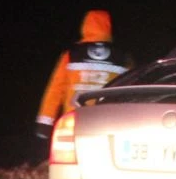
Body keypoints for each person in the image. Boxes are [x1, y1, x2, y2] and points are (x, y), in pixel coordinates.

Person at [34, 10, 133, 142]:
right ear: (109, 27)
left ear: (85, 26)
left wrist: (44, 123)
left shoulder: (71, 55)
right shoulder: (123, 58)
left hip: (74, 122)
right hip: (110, 124)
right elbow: (131, 91)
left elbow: (55, 90)